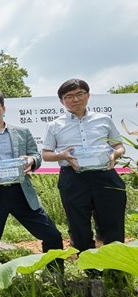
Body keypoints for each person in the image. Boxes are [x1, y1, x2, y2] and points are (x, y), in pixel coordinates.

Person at [0, 91, 63, 297]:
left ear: (3, 108)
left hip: (21, 192)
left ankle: (56, 279)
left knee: (52, 235)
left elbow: (37, 155)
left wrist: (31, 159)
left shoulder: (22, 132)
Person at [42, 79, 126, 252]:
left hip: (105, 175)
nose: (75, 99)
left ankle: (116, 270)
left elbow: (119, 146)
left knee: (113, 221)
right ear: (62, 101)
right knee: (78, 223)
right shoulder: (55, 125)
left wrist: (114, 154)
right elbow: (46, 154)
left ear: (88, 95)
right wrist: (62, 155)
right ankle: (90, 270)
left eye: (79, 94)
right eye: (69, 96)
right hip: (73, 177)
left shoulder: (103, 120)